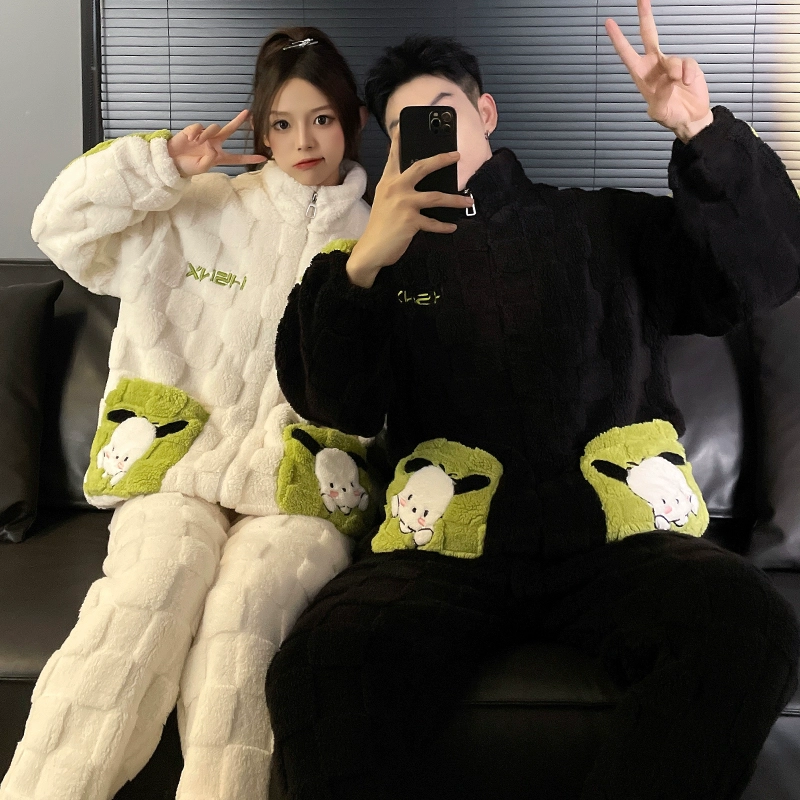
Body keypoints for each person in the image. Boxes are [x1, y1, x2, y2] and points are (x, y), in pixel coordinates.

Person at [267, 2, 800, 799]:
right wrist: (366, 265)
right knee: (320, 663)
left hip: (617, 541)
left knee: (750, 627)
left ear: (485, 113)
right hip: (445, 550)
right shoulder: (369, 267)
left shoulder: (607, 223)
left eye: (442, 113)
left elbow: (765, 274)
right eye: (406, 127)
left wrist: (702, 133)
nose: (429, 137)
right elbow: (336, 405)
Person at [0, 26, 374, 800]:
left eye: (322, 119)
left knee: (250, 618)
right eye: (282, 123)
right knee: (154, 588)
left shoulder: (377, 236)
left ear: (353, 121)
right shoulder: (196, 207)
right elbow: (57, 228)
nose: (304, 142)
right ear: (260, 130)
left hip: (300, 488)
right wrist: (158, 167)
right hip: (177, 467)